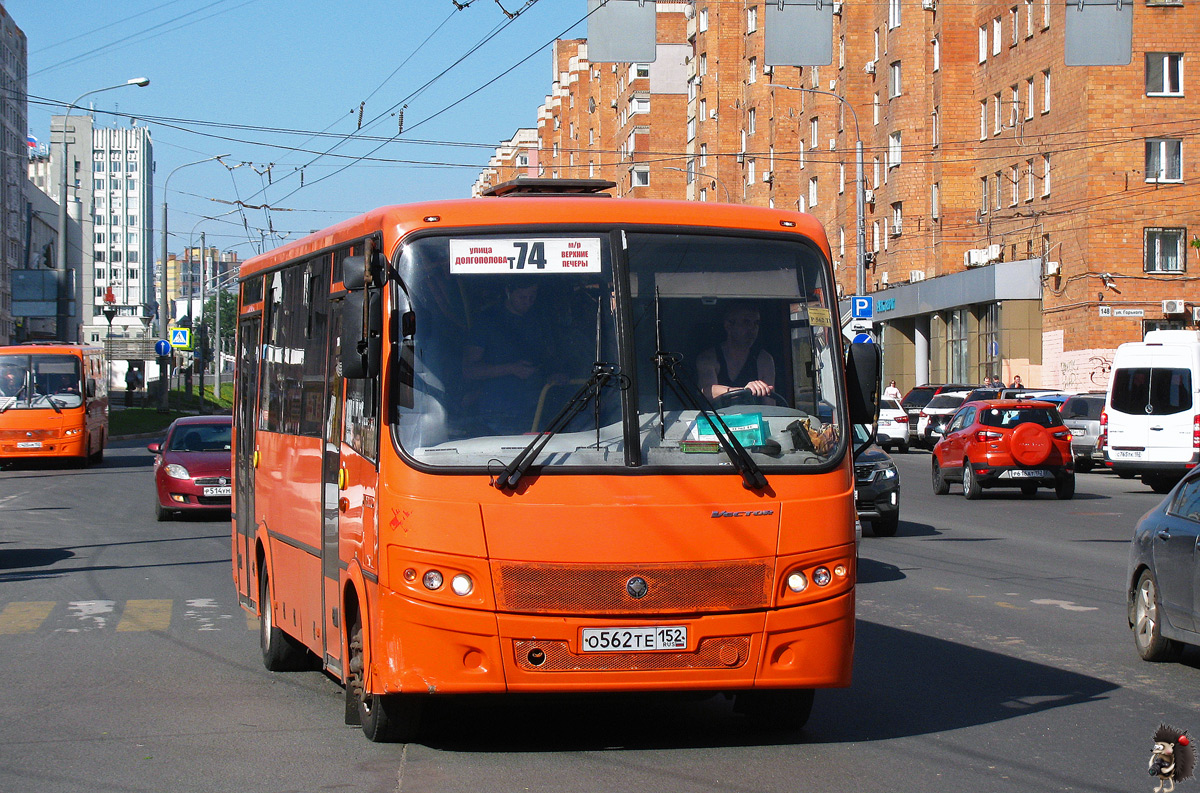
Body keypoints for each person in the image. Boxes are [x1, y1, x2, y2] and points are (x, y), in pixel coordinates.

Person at [463, 282, 561, 434]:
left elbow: (550, 358)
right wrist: (510, 369)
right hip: (496, 415)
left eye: (532, 297)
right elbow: (469, 371)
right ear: (508, 291)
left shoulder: (539, 320)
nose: (528, 302)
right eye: (522, 297)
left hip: (536, 411)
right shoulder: (487, 321)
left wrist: (555, 375)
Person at [696, 303, 776, 402]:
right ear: (728, 326)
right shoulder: (708, 358)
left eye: (756, 323)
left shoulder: (764, 359)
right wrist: (745, 391)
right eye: (746, 323)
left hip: (754, 416)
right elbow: (707, 391)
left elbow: (770, 404)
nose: (752, 329)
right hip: (719, 417)